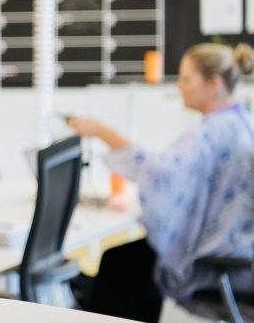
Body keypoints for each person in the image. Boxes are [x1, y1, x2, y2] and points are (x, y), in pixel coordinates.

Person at [67, 43, 254, 323]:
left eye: (187, 79)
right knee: (133, 261)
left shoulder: (212, 132)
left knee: (119, 265)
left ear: (213, 83)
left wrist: (101, 132)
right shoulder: (241, 122)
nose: (179, 86)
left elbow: (159, 173)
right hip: (239, 256)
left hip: (220, 265)